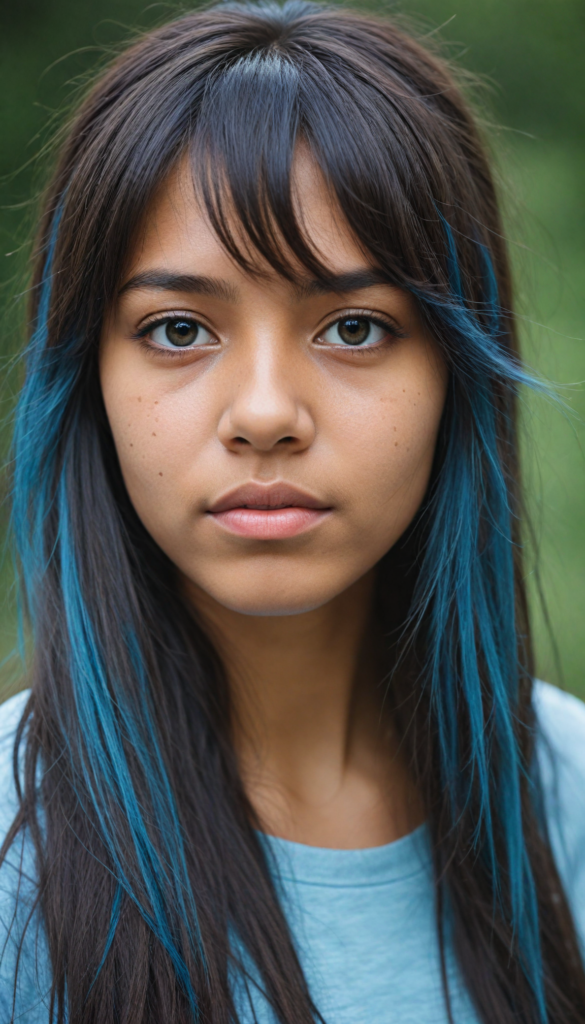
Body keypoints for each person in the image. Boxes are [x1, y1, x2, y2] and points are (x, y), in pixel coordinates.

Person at [0, 2, 584, 1021]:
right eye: (178, 328)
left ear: (455, 371)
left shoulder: (569, 807)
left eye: (354, 327)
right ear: (85, 374)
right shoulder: (17, 863)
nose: (265, 412)